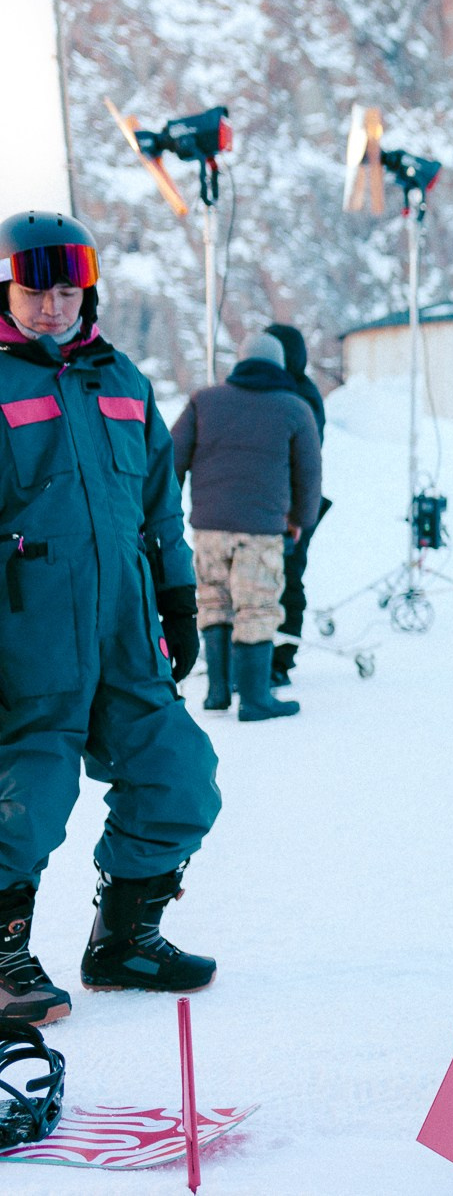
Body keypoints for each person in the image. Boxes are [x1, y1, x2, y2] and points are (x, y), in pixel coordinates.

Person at [0, 210, 223, 1025]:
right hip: (28, 634)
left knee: (180, 775)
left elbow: (160, 508)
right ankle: (3, 955)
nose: (53, 305)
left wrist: (178, 598)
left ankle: (124, 936)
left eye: (67, 288)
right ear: (7, 288)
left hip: (126, 628)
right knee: (32, 792)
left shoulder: (121, 381)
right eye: (35, 289)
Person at [171, 331, 321, 722]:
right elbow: (309, 474)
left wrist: (168, 510)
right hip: (261, 530)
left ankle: (218, 692)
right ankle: (255, 699)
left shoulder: (204, 401)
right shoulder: (294, 407)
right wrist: (300, 521)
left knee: (214, 601)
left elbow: (171, 458)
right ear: (280, 365)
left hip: (208, 529)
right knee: (257, 607)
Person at [262, 323, 330, 687]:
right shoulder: (287, 393)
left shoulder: (301, 396)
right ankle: (260, 655)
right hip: (273, 500)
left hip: (295, 504)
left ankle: (281, 659)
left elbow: (302, 456)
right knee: (266, 580)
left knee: (287, 580)